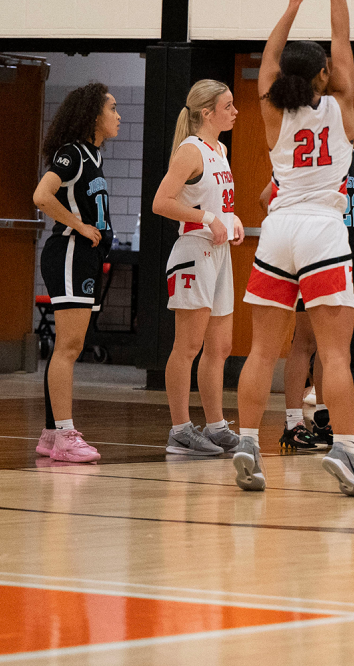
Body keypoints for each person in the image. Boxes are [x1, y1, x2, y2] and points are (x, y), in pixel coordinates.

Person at [233, 0, 354, 497]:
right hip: (323, 229)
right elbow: (341, 45)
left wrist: (288, 10)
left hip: (279, 227)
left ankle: (246, 441)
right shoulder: (341, 106)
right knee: (333, 354)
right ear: (321, 78)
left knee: (263, 350)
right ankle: (346, 452)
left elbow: (268, 60)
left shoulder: (271, 111)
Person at [151, 79, 245, 456]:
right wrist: (208, 218)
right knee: (188, 345)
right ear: (207, 112)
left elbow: (216, 202)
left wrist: (230, 219)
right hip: (193, 250)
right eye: (229, 105)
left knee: (220, 347)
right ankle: (179, 429)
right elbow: (161, 202)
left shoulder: (219, 148)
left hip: (218, 253)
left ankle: (217, 425)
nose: (235, 111)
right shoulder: (190, 151)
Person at [260, 147, 354, 449]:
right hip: (312, 256)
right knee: (305, 340)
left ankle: (323, 419)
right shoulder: (307, 152)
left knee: (332, 344)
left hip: (345, 258)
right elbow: (264, 199)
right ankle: (293, 422)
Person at [32, 83, 121, 462]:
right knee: (69, 347)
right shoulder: (73, 154)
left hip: (82, 257)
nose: (119, 115)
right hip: (68, 251)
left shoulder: (94, 155)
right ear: (93, 115)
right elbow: (41, 195)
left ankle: (51, 435)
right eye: (113, 108)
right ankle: (66, 435)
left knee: (71, 346)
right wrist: (80, 226)